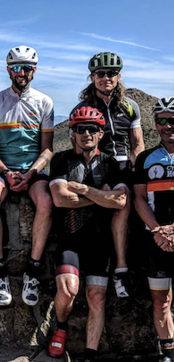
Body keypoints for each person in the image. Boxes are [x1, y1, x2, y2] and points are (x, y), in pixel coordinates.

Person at [48, 107, 127, 362]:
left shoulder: (111, 163)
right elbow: (59, 199)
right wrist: (101, 197)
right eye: (80, 129)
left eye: (92, 129)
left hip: (99, 241)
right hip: (69, 238)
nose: (86, 134)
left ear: (101, 133)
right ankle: (60, 327)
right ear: (72, 133)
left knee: (96, 297)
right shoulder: (61, 160)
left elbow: (120, 201)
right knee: (67, 290)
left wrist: (83, 190)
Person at [0, 46, 54, 307]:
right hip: (3, 170)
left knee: (46, 202)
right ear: (8, 70)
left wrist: (31, 173)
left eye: (26, 68)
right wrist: (6, 172)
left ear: (34, 70)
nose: (21, 73)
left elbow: (47, 149)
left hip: (34, 170)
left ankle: (33, 270)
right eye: (15, 68)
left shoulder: (44, 102)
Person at [72, 52, 144, 297]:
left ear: (119, 76)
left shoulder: (130, 106)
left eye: (111, 73)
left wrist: (135, 168)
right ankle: (117, 269)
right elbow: (77, 147)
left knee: (130, 198)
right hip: (97, 165)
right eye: (100, 74)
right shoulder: (83, 108)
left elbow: (137, 144)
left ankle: (123, 267)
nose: (106, 78)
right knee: (119, 201)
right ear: (92, 77)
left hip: (124, 166)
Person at [133, 97, 174, 362]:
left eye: (173, 120)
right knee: (161, 301)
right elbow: (138, 198)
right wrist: (159, 231)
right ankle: (170, 355)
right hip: (156, 241)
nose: (168, 125)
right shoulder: (145, 159)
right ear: (155, 124)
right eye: (162, 120)